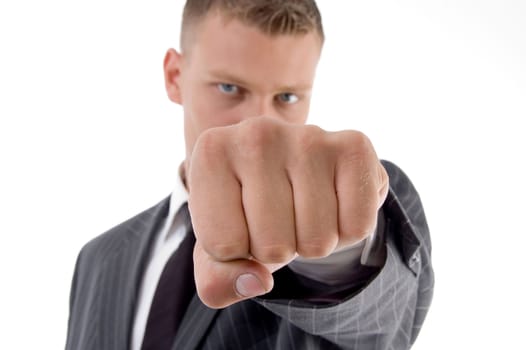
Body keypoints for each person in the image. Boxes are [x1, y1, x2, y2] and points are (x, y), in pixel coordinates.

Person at [65, 1, 433, 349]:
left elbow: (383, 324)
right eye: (230, 88)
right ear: (175, 77)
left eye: (287, 97)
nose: (259, 124)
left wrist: (339, 248)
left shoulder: (370, 205)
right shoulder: (98, 258)